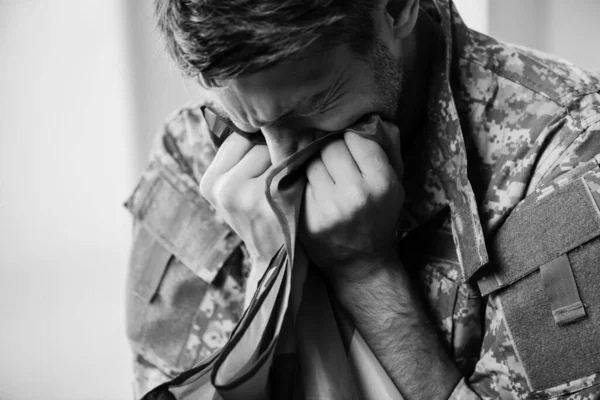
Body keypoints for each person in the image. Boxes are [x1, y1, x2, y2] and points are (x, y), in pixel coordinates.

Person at [124, 0, 600, 398]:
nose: (279, 163)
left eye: (311, 106)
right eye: (247, 123)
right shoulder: (190, 152)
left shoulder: (570, 152)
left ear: (394, 8)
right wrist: (271, 278)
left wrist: (368, 275)